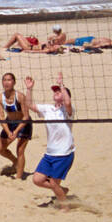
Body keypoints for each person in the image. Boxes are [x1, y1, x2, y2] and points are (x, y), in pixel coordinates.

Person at [25, 74, 75, 211]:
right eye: (55, 92)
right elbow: (29, 105)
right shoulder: (48, 109)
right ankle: (62, 190)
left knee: (53, 183)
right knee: (37, 180)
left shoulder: (68, 111)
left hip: (64, 153)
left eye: (59, 92)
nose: (56, 93)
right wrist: (29, 89)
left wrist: (62, 85)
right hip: (50, 152)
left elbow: (68, 103)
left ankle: (65, 207)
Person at [0, 72, 32, 179]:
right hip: (9, 123)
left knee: (20, 150)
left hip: (24, 123)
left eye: (9, 80)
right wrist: (8, 131)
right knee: (0, 149)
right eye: (4, 80)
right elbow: (1, 118)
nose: (6, 82)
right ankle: (15, 162)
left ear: (14, 82)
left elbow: (26, 116)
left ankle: (19, 177)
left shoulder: (20, 96)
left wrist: (16, 132)